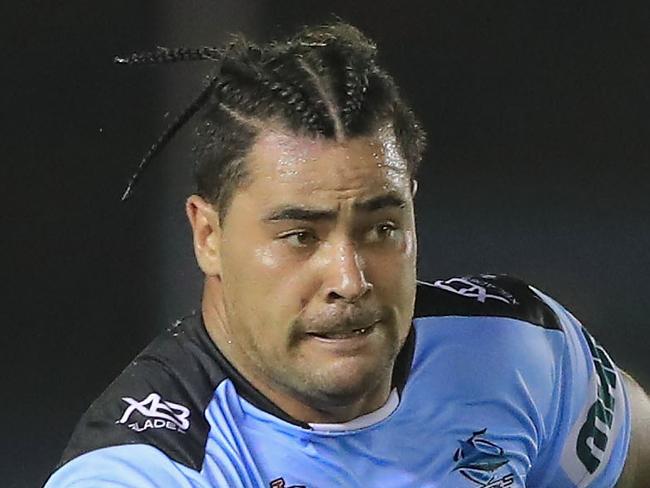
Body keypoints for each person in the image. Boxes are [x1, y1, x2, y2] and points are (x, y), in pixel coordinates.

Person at [45, 22, 649, 487]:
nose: (349, 278)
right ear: (208, 236)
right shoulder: (150, 469)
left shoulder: (520, 351)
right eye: (300, 236)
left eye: (381, 228)